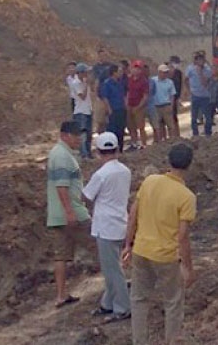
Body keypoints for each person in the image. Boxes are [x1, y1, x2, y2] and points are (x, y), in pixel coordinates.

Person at [123, 143, 198, 345]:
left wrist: (128, 245)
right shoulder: (187, 197)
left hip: (141, 250)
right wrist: (188, 268)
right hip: (166, 257)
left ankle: (139, 341)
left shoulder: (150, 181)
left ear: (168, 160)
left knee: (138, 299)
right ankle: (172, 340)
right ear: (189, 165)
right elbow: (182, 237)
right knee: (173, 301)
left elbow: (133, 215)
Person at [82, 132, 132, 322]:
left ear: (99, 152)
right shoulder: (125, 170)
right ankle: (107, 304)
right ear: (117, 150)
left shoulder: (101, 174)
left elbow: (86, 196)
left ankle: (122, 307)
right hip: (121, 223)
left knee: (113, 270)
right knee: (112, 267)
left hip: (105, 227)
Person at [46, 120, 92, 308]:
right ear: (64, 135)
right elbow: (62, 187)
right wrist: (70, 211)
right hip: (72, 213)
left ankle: (61, 295)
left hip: (56, 215)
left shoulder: (59, 154)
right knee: (101, 245)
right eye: (75, 136)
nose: (79, 139)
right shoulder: (62, 156)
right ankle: (117, 282)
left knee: (61, 256)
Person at [100, 64, 128, 151]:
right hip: (113, 110)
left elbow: (123, 95)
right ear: (114, 73)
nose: (121, 73)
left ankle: (120, 149)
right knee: (113, 130)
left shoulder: (120, 83)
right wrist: (109, 109)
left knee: (121, 130)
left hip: (121, 109)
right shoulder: (107, 83)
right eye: (119, 71)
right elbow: (105, 97)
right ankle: (112, 149)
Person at [185, 52, 214, 137]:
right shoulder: (190, 68)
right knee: (194, 117)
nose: (201, 61)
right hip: (195, 95)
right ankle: (195, 134)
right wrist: (188, 90)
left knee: (208, 117)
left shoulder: (208, 70)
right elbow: (186, 79)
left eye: (202, 59)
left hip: (205, 96)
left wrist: (200, 73)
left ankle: (208, 133)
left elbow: (205, 83)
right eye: (199, 59)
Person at [69, 63, 94, 159]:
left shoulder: (83, 83)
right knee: (82, 134)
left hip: (87, 110)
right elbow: (82, 96)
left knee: (89, 134)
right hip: (80, 111)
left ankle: (88, 153)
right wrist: (86, 85)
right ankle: (83, 154)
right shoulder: (76, 83)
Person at [126, 61, 151, 150]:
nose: (136, 70)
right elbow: (127, 92)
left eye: (138, 68)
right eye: (134, 68)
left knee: (141, 127)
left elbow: (145, 96)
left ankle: (144, 144)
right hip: (129, 105)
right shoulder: (129, 79)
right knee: (131, 127)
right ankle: (134, 143)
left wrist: (139, 106)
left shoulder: (144, 81)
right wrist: (126, 104)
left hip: (139, 106)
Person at [150, 64, 178, 143]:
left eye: (166, 72)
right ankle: (159, 142)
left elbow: (172, 95)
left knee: (170, 125)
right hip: (156, 106)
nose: (165, 74)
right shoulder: (153, 81)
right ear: (159, 72)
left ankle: (172, 141)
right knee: (157, 126)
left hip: (166, 105)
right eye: (163, 72)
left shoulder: (170, 82)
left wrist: (171, 107)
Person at [169, 56, 184, 134]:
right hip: (166, 97)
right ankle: (171, 135)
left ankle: (177, 134)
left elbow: (180, 85)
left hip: (175, 97)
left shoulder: (178, 73)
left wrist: (179, 97)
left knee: (174, 116)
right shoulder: (166, 72)